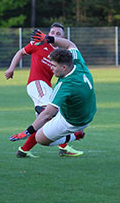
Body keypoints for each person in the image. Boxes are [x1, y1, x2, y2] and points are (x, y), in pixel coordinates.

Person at [10, 29, 97, 158]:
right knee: (46, 116)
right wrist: (50, 39)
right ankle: (30, 147)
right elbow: (71, 45)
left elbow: (48, 114)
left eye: (54, 66)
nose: (51, 68)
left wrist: (28, 131)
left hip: (72, 121)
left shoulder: (63, 86)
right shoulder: (78, 63)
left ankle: (72, 136)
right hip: (89, 114)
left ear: (64, 68)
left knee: (40, 138)